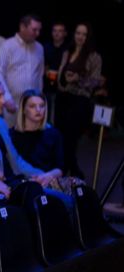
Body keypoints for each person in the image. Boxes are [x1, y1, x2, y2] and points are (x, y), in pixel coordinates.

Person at [0, 76, 63, 192]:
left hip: (16, 181)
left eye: (3, 95)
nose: (3, 101)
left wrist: (41, 176)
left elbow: (16, 161)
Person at [56, 22, 102, 178]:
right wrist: (63, 78)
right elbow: (61, 73)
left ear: (88, 37)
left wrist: (78, 79)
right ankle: (72, 169)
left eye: (84, 34)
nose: (80, 37)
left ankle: (67, 170)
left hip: (79, 100)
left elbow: (95, 81)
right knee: (61, 136)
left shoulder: (94, 57)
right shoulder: (67, 52)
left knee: (71, 138)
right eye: (78, 33)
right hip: (63, 98)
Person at [0, 14, 44, 127]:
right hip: (12, 105)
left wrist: (39, 99)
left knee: (32, 134)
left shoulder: (39, 48)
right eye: (34, 30)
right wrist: (6, 98)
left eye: (39, 30)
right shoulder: (6, 46)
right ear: (22, 27)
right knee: (11, 134)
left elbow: (39, 75)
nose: (37, 34)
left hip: (33, 106)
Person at [11, 89, 64, 178]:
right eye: (32, 106)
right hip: (21, 181)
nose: (38, 110)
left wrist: (46, 177)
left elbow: (60, 168)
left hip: (47, 180)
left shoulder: (53, 134)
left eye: (42, 106)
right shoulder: (11, 135)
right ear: (23, 110)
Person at [43, 22, 68, 123]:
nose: (57, 33)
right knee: (45, 115)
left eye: (60, 31)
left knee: (58, 117)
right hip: (46, 86)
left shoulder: (68, 49)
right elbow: (42, 64)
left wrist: (59, 73)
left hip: (62, 88)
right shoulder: (46, 47)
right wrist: (46, 71)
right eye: (54, 31)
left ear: (65, 33)